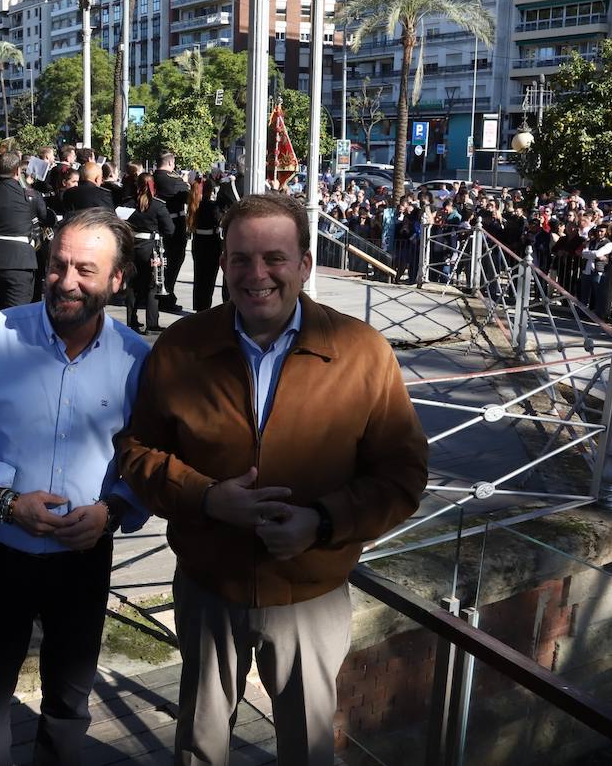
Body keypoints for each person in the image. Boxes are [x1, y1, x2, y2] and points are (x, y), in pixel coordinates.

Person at [116, 192, 428, 766]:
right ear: (222, 262)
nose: (256, 275)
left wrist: (324, 521)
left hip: (309, 592)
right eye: (240, 259)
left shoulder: (361, 351)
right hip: (210, 587)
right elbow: (136, 452)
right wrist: (207, 500)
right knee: (200, 746)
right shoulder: (183, 346)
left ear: (305, 264)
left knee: (307, 751)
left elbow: (404, 473)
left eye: (274, 258)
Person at [0, 208, 150, 766]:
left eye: (86, 269)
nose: (67, 281)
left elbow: (151, 460)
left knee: (69, 701)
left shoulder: (138, 359)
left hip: (84, 555)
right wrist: (5, 502)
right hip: (2, 551)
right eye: (58, 265)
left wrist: (112, 510)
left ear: (116, 280)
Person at [0, 151, 53, 312]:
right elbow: (47, 219)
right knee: (17, 315)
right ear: (17, 171)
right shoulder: (30, 195)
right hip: (20, 262)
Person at [119, 172, 174, 334]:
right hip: (151, 248)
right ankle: (152, 323)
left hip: (131, 247)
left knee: (132, 285)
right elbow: (170, 229)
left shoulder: (128, 204)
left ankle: (132, 320)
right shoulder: (158, 205)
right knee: (152, 285)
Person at [152, 152, 191, 309]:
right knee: (173, 260)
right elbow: (187, 195)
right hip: (174, 224)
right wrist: (186, 182)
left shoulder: (153, 177)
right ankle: (166, 294)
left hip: (158, 223)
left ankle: (162, 293)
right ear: (170, 163)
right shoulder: (173, 180)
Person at [189, 176, 223, 311]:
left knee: (199, 276)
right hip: (211, 243)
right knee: (209, 278)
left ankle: (199, 306)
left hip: (198, 242)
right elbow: (219, 220)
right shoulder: (211, 206)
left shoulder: (194, 205)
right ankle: (205, 307)